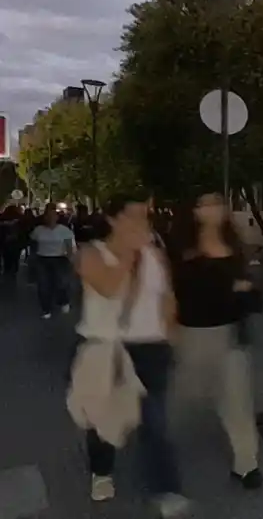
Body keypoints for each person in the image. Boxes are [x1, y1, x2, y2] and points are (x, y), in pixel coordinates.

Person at [70, 193, 189, 516]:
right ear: (112, 219)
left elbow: (167, 295)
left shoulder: (156, 255)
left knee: (155, 422)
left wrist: (170, 331)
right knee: (102, 419)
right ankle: (101, 471)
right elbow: (108, 287)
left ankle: (166, 488)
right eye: (133, 216)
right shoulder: (90, 253)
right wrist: (130, 253)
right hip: (105, 347)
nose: (142, 223)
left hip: (151, 347)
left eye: (144, 216)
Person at [169, 192, 263, 490]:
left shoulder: (236, 247)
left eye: (218, 204)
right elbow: (176, 291)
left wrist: (245, 289)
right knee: (182, 398)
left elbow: (251, 291)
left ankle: (247, 465)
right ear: (195, 211)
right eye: (206, 204)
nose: (214, 209)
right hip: (192, 334)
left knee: (237, 401)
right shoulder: (183, 249)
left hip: (230, 333)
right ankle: (156, 447)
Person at [31, 203, 75, 319]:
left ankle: (63, 301)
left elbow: (69, 246)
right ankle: (46, 309)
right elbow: (34, 245)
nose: (50, 218)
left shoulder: (64, 231)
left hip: (59, 258)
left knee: (61, 283)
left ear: (57, 217)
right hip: (43, 259)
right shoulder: (38, 230)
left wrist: (71, 259)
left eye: (52, 216)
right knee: (43, 284)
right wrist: (32, 259)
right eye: (47, 216)